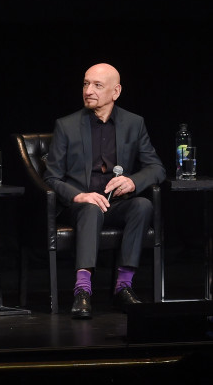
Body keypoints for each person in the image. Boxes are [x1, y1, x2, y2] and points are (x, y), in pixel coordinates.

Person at [43, 63, 165, 319]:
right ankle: (83, 291)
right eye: (86, 84)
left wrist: (133, 181)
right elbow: (51, 176)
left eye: (97, 85)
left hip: (116, 204)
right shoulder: (67, 126)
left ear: (116, 91)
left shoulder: (134, 123)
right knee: (90, 208)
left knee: (143, 205)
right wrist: (79, 195)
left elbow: (156, 168)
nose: (89, 90)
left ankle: (123, 287)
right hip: (79, 206)